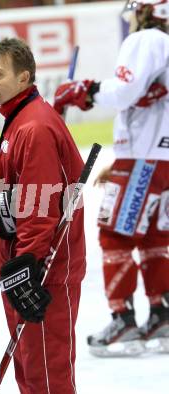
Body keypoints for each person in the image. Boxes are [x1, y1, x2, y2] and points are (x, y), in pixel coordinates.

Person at [53, 0, 169, 356]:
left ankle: (124, 319)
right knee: (153, 236)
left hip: (143, 161)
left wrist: (83, 90)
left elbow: (124, 92)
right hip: (158, 160)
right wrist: (122, 159)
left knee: (114, 234)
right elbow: (146, 100)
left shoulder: (147, 39)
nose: (132, 19)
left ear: (147, 12)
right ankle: (162, 315)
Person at [0, 37, 86, 394]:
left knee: (46, 377)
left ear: (24, 77)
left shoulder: (35, 127)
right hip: (21, 271)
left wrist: (27, 263)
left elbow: (39, 209)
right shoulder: (19, 119)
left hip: (42, 275)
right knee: (30, 375)